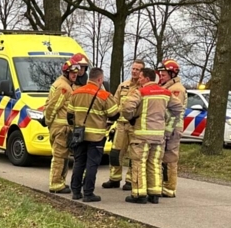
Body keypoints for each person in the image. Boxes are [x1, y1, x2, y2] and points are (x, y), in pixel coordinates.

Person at [120, 67, 181, 204]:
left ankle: (139, 194)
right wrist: (167, 126)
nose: (139, 80)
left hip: (141, 135)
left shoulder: (140, 92)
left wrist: (131, 118)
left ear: (147, 78)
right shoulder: (166, 93)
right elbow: (178, 109)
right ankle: (154, 193)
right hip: (159, 136)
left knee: (139, 163)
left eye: (141, 77)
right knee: (155, 164)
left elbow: (126, 108)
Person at [67, 67, 118, 202]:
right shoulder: (104, 95)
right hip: (96, 137)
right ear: (100, 79)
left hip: (79, 135)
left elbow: (69, 115)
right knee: (92, 165)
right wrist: (106, 122)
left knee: (79, 163)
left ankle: (76, 191)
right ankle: (88, 193)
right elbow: (115, 114)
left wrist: (76, 126)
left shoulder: (76, 92)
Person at [44, 53, 88, 194]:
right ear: (66, 72)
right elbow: (52, 107)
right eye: (72, 73)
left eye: (77, 73)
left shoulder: (61, 83)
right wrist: (49, 122)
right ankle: (56, 184)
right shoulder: (64, 87)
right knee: (60, 157)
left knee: (62, 156)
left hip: (60, 127)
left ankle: (60, 182)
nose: (75, 75)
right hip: (61, 128)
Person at [102, 59, 144, 190]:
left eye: (137, 69)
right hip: (120, 124)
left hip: (135, 125)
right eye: (133, 69)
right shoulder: (123, 85)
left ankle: (130, 181)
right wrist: (110, 119)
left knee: (133, 154)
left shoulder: (143, 88)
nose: (134, 71)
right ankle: (114, 178)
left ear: (142, 72)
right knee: (116, 152)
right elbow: (115, 102)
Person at [158, 59, 187, 197]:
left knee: (170, 158)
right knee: (164, 157)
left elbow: (175, 112)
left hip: (173, 129)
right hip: (167, 127)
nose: (161, 76)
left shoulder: (176, 90)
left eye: (163, 74)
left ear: (172, 73)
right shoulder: (167, 88)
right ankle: (165, 185)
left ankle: (169, 188)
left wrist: (168, 130)